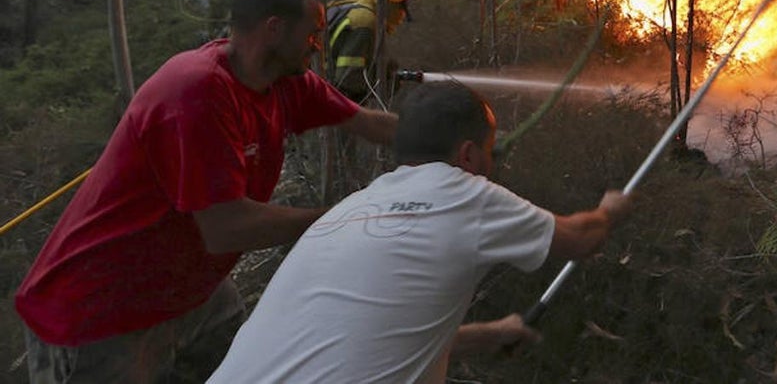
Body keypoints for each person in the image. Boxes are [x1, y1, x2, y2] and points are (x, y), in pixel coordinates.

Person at [14, 0, 399, 383]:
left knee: (239, 353)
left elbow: (367, 122)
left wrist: (448, 134)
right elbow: (225, 228)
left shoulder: (286, 85)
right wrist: (345, 216)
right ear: (275, 29)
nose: (319, 45)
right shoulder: (197, 91)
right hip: (100, 312)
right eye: (313, 34)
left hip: (185, 291)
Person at [208, 80, 631, 383]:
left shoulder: (349, 210)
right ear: (467, 155)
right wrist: (611, 208)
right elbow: (581, 238)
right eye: (488, 151)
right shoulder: (465, 194)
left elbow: (372, 337)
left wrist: (490, 335)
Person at [327, 0, 418, 104]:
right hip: (329, 106)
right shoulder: (365, 22)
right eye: (403, 5)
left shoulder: (355, 9)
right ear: (391, 0)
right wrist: (383, 83)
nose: (403, 13)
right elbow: (348, 82)